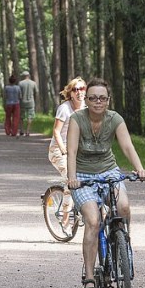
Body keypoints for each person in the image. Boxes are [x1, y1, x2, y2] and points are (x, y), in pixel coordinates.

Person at [66, 78, 145, 288]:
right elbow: (71, 152)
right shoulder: (76, 120)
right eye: (92, 98)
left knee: (123, 206)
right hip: (82, 175)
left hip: (109, 171)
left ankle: (124, 244)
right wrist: (72, 178)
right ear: (87, 100)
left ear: (108, 100)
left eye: (102, 98)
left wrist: (139, 169)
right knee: (93, 221)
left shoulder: (115, 119)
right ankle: (90, 278)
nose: (97, 102)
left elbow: (127, 146)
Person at [48, 77, 86, 233]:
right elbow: (56, 131)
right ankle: (65, 220)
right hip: (58, 150)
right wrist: (64, 150)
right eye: (75, 89)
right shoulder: (65, 108)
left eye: (82, 89)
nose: (79, 92)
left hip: (76, 150)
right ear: (70, 93)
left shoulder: (86, 108)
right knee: (71, 179)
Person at [18, 70, 37, 137]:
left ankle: (21, 130)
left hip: (22, 102)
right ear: (28, 76)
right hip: (31, 102)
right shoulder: (33, 83)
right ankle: (28, 131)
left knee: (21, 117)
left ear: (23, 76)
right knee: (30, 116)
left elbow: (19, 93)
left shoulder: (20, 83)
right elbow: (36, 92)